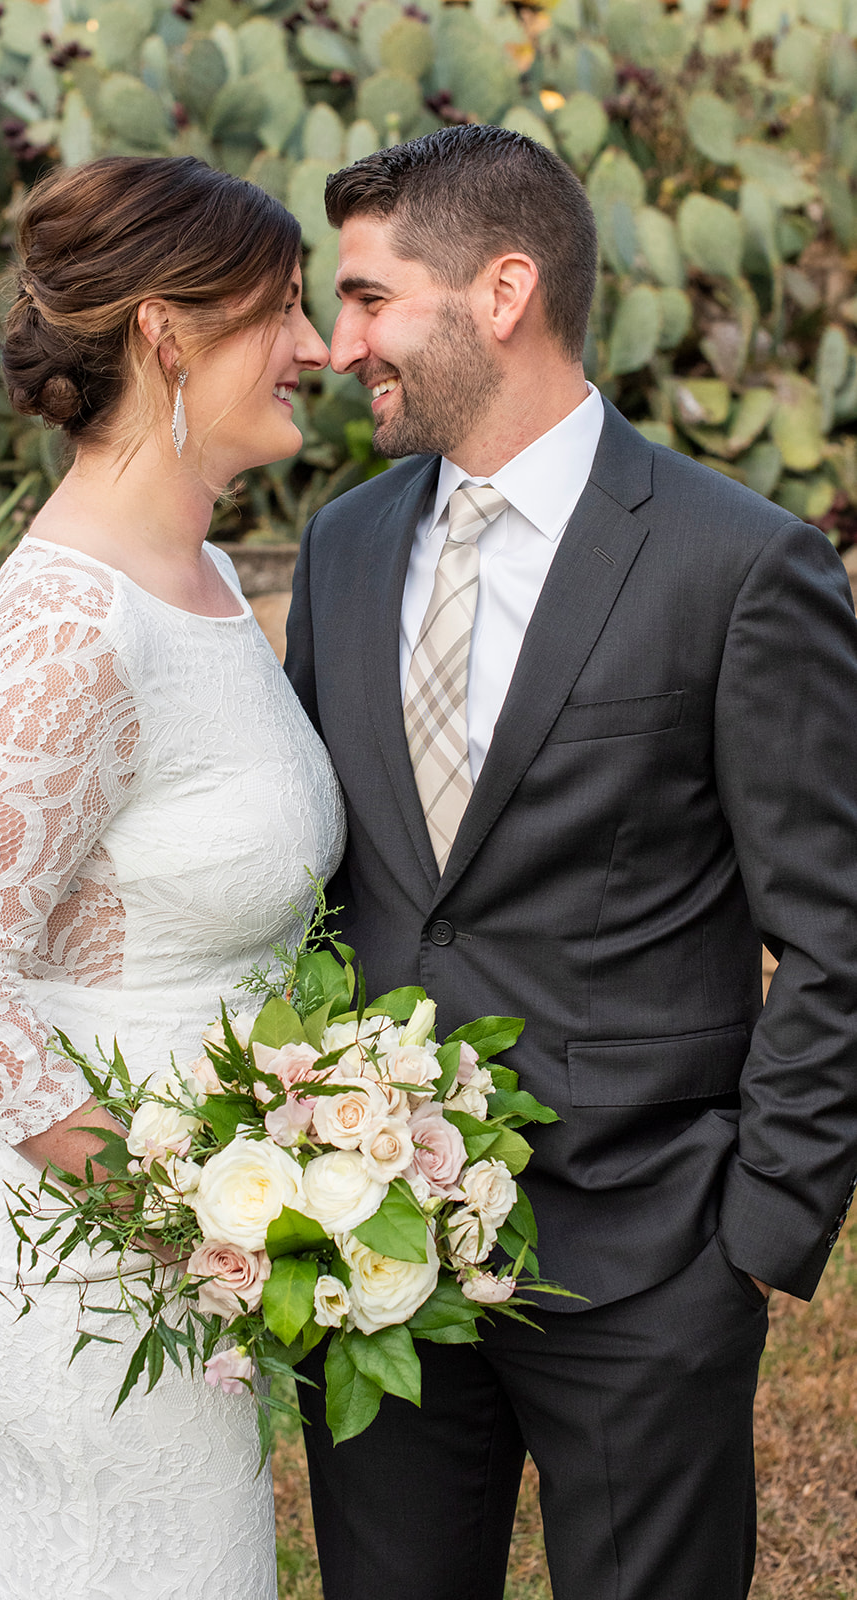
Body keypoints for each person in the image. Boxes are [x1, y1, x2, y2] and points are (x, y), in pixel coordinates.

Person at [284, 124, 857, 1600]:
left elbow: (838, 929)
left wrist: (758, 1228)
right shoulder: (342, 548)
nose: (340, 345)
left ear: (503, 290)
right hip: (376, 1256)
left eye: (367, 297)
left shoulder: (738, 564)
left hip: (649, 1256)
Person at [0, 154, 342, 1599]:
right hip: (91, 1275)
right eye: (280, 308)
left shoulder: (200, 581)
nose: (318, 345)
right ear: (166, 334)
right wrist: (186, 1218)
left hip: (182, 1255)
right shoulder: (69, 627)